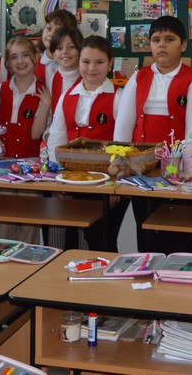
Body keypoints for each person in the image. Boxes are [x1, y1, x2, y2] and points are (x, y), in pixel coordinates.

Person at [113, 15, 192, 252]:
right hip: (141, 169)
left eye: (169, 39)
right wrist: (120, 164)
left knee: (177, 236)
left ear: (183, 45)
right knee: (146, 233)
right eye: (156, 40)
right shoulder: (139, 77)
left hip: (177, 171)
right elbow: (124, 124)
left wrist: (184, 171)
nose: (162, 45)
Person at [46, 35, 127, 251]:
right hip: (74, 178)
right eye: (86, 61)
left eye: (99, 62)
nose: (91, 68)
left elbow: (124, 144)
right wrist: (57, 178)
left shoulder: (119, 96)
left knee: (103, 241)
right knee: (74, 239)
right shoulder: (67, 96)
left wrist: (115, 186)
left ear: (110, 63)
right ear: (79, 62)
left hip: (108, 181)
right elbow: (57, 138)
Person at [0, 36, 51, 159]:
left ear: (36, 57)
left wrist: (46, 104)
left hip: (31, 161)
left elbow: (36, 135)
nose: (20, 61)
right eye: (13, 57)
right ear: (8, 63)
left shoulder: (43, 92)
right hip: (0, 161)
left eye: (25, 55)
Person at [45, 25, 83, 108]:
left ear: (80, 51)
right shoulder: (53, 78)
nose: (65, 51)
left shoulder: (87, 79)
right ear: (54, 54)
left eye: (71, 47)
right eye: (59, 48)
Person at [37, 8, 78, 83]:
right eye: (49, 28)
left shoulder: (77, 66)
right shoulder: (33, 64)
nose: (51, 34)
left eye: (58, 31)